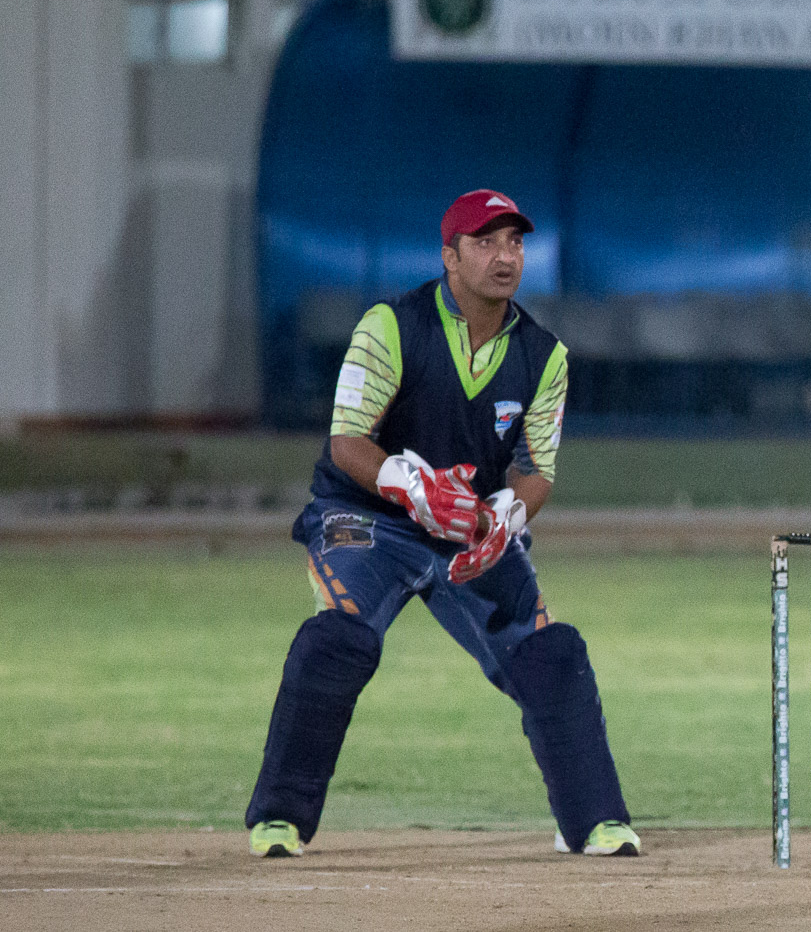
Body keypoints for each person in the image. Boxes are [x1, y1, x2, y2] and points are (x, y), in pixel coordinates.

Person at [245, 189, 640, 860]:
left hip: (467, 528)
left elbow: (537, 470)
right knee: (337, 641)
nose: (505, 256)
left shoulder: (544, 355)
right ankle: (278, 819)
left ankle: (596, 821)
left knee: (551, 656)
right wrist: (409, 483)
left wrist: (507, 515)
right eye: (485, 242)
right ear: (449, 256)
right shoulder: (391, 326)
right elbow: (346, 442)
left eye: (514, 241)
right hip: (367, 516)